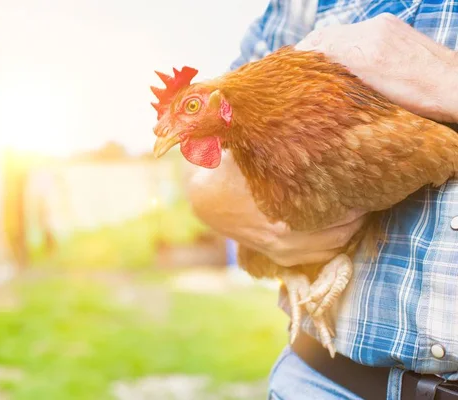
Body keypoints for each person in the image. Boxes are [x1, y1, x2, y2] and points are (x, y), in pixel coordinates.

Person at [186, 2, 458, 399]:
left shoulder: (400, 145)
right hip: (320, 381)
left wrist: (444, 79)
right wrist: (206, 197)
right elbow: (209, 160)